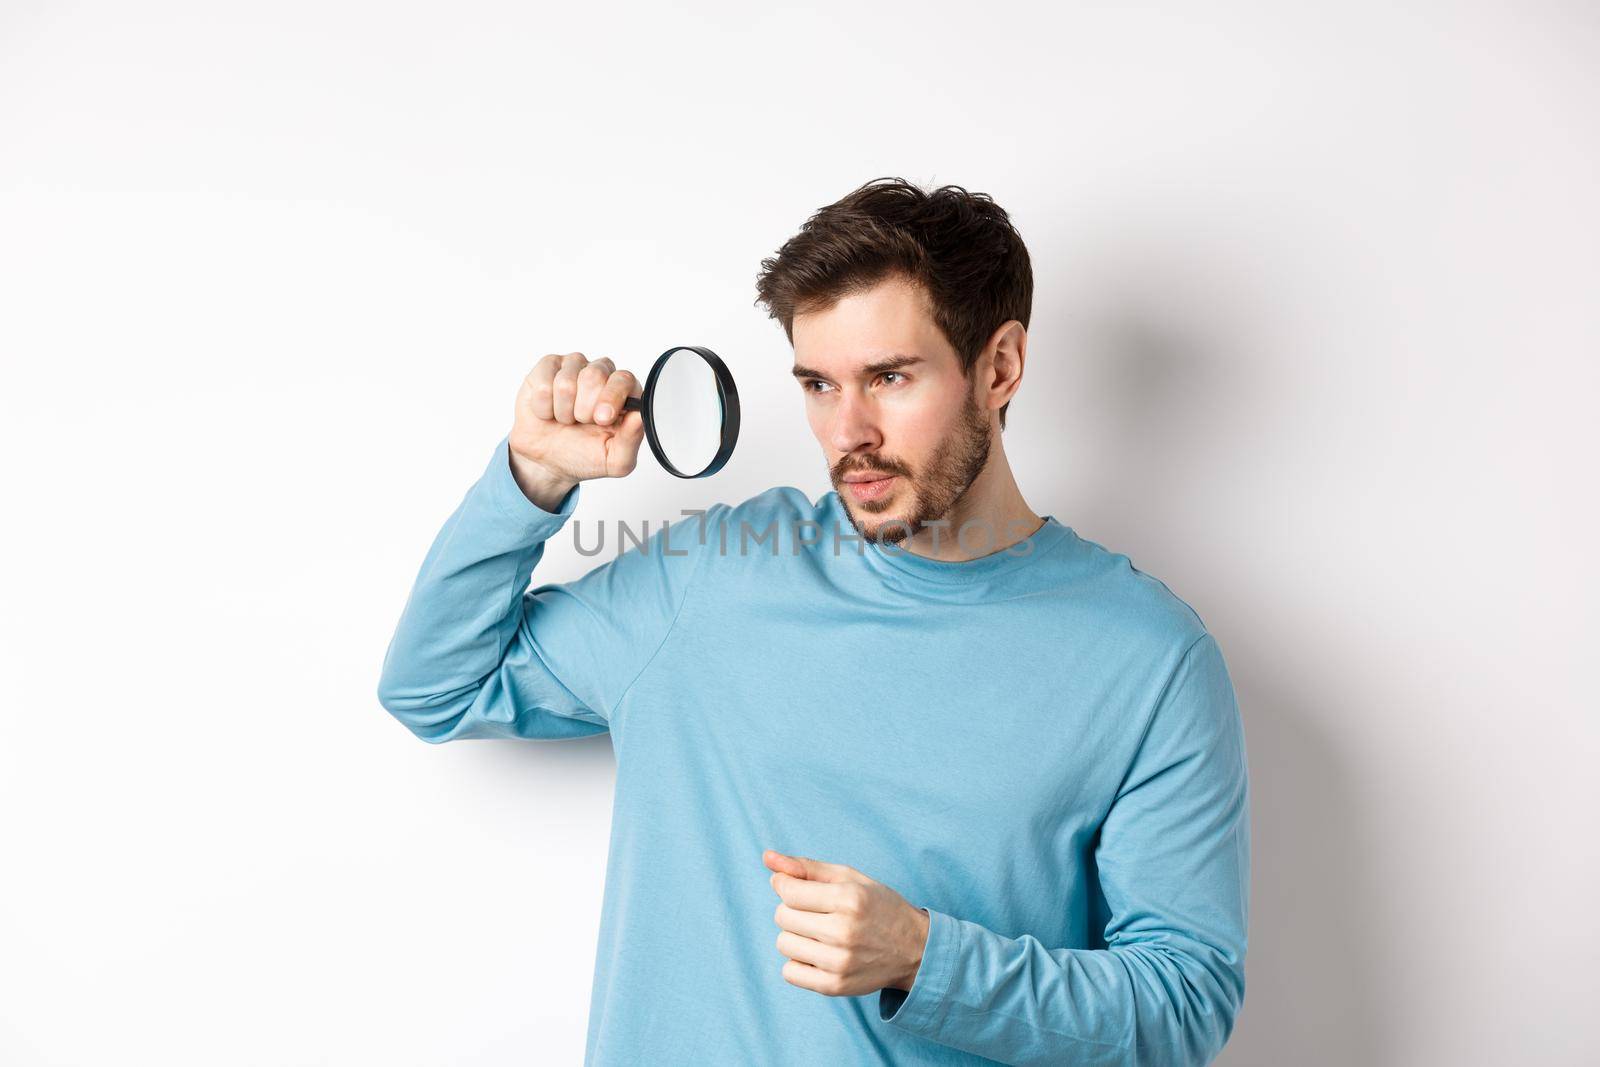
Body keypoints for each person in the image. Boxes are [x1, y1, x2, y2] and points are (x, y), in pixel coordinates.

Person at [376, 177, 1250, 1066]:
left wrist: (924, 957)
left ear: (1000, 367)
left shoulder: (1149, 659)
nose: (848, 431)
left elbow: (1183, 1003)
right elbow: (438, 685)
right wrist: (531, 480)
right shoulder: (713, 575)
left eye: (889, 378)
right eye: (818, 385)